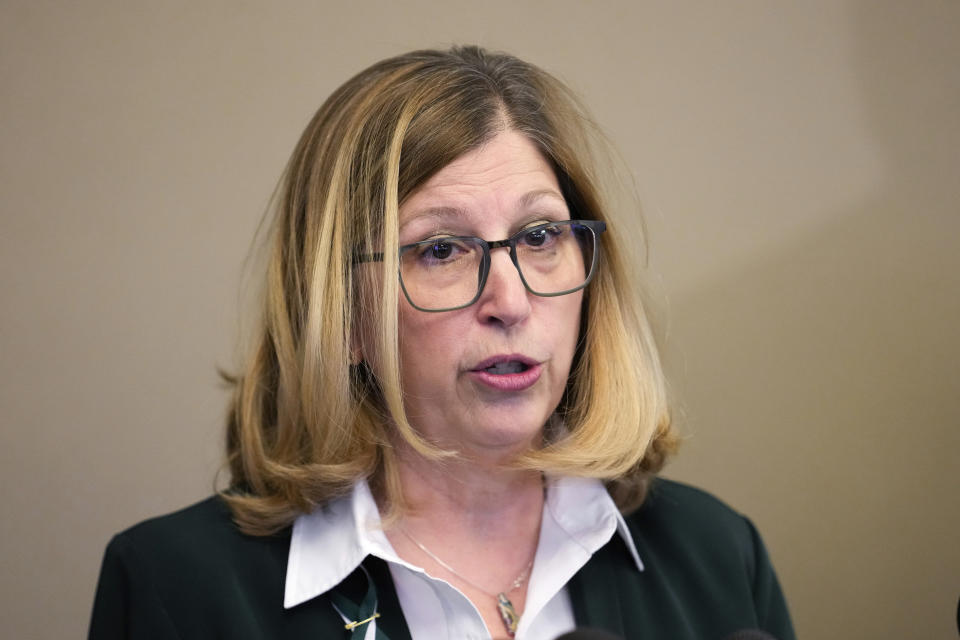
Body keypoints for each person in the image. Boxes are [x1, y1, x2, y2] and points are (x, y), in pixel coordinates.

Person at [88, 45, 795, 640]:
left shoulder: (720, 556)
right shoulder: (175, 590)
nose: (510, 301)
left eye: (540, 236)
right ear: (342, 317)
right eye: (441, 249)